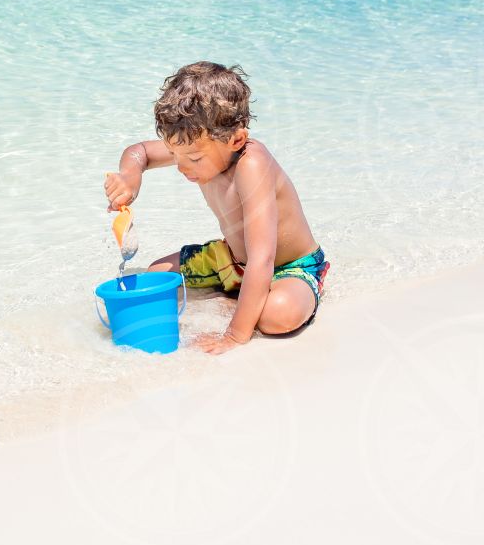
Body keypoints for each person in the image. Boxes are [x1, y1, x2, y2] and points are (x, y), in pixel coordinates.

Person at [103, 62, 329, 355]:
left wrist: (234, 336)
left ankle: (254, 300)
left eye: (193, 159)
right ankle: (238, 293)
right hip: (231, 257)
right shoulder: (197, 145)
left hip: (286, 266)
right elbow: (140, 152)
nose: (181, 167)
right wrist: (130, 178)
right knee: (157, 274)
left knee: (277, 317)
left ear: (236, 140)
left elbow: (263, 257)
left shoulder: (252, 164)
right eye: (174, 154)